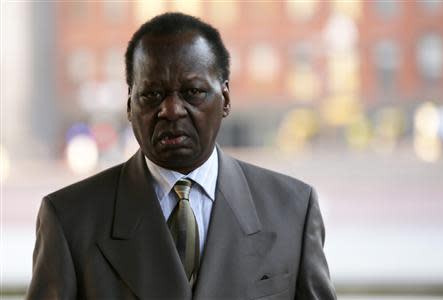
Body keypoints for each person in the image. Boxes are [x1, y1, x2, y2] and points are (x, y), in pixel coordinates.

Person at [26, 12, 336, 300]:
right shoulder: (69, 219)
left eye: (193, 92)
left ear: (225, 99)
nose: (171, 110)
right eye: (152, 95)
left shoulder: (293, 209)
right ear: (130, 104)